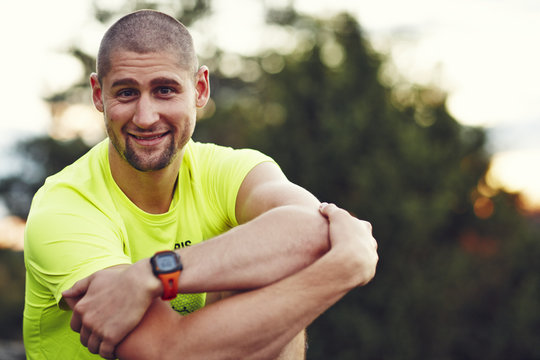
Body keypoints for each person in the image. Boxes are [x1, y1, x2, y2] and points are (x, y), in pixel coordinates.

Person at [23, 9, 378, 360]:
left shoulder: (230, 169)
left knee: (264, 267)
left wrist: (149, 275)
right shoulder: (64, 207)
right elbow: (165, 351)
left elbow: (314, 229)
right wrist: (341, 270)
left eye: (165, 90)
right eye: (127, 93)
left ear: (200, 89)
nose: (146, 118)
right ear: (99, 95)